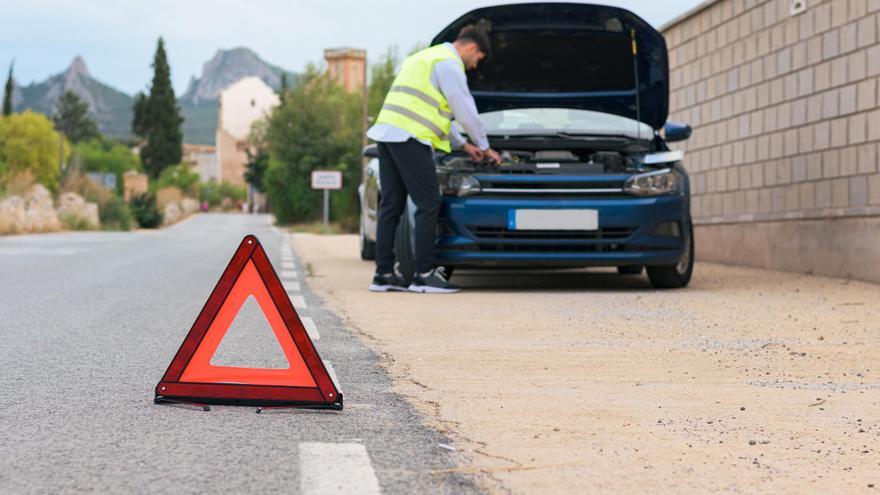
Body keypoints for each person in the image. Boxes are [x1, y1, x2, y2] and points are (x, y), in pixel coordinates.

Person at [367, 24, 500, 294]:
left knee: (391, 205)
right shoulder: (449, 64)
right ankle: (424, 275)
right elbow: (464, 109)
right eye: (478, 58)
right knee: (428, 202)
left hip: (388, 134)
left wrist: (463, 144)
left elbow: (431, 109)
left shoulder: (423, 58)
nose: (475, 65)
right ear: (471, 47)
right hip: (410, 138)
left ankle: (383, 275)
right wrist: (485, 146)